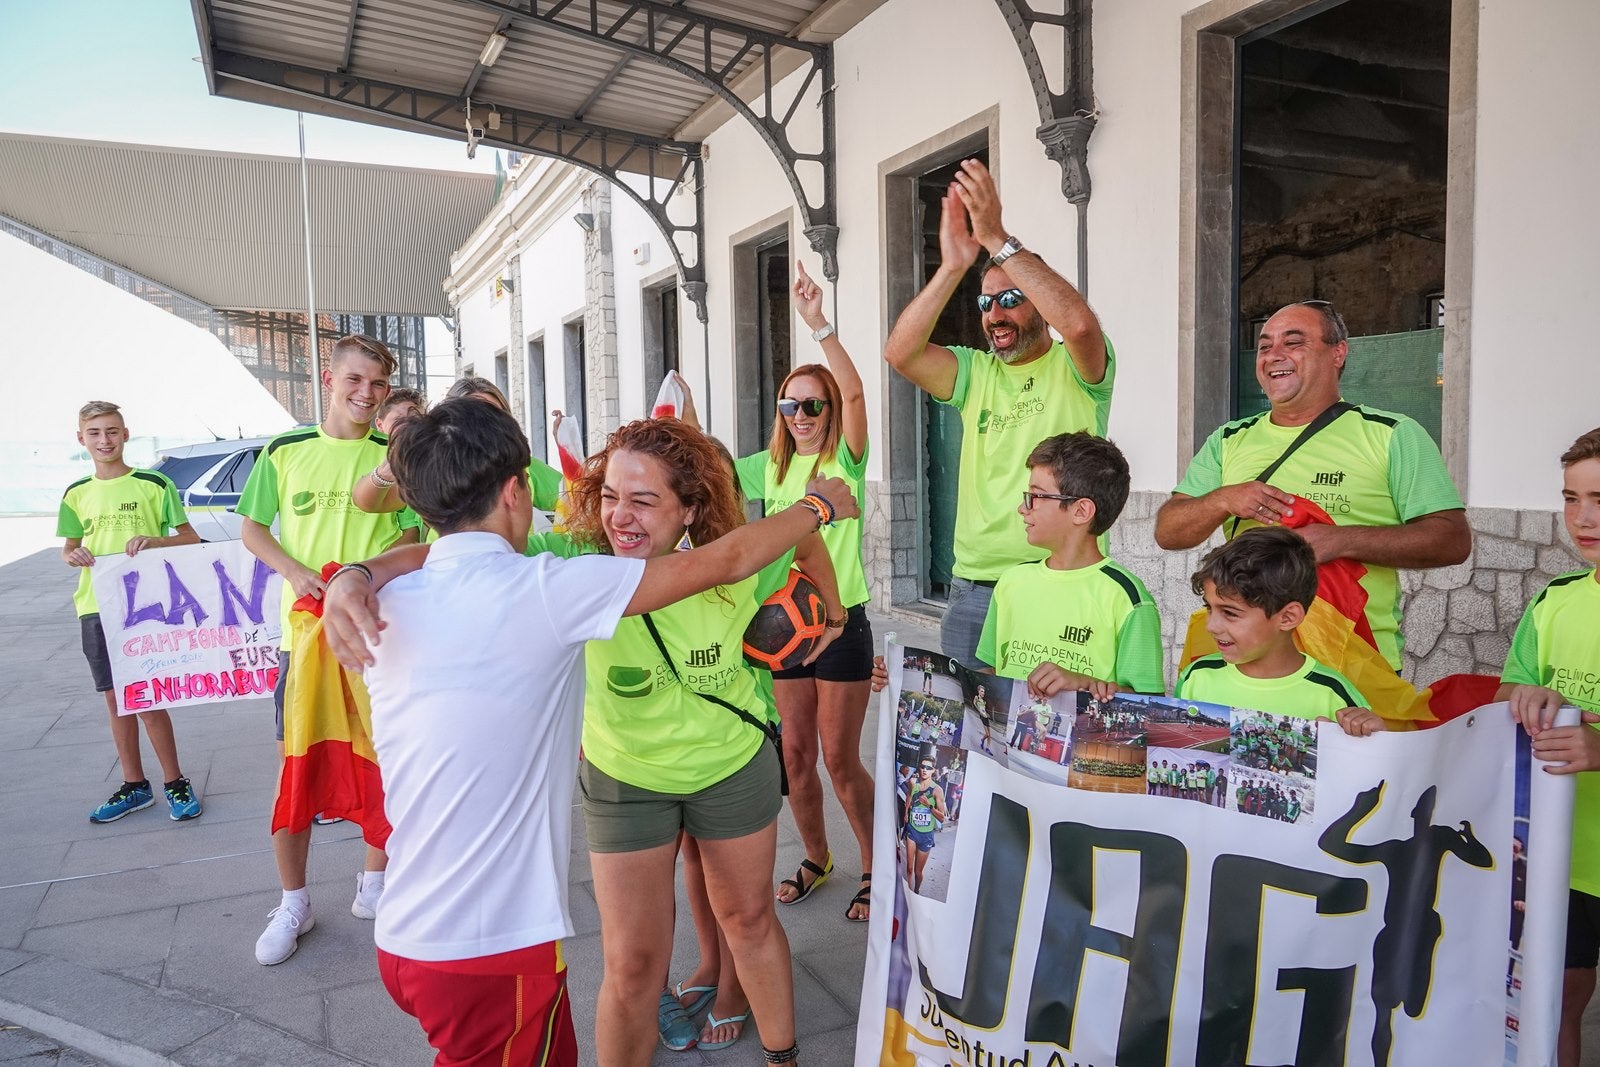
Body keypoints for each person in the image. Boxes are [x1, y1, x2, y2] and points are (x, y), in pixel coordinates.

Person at [325, 400, 844, 1066]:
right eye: (609, 496)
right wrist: (820, 502)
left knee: (747, 918)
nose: (620, 514)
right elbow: (448, 551)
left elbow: (757, 552)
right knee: (631, 962)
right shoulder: (560, 570)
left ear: (689, 509)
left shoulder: (499, 588)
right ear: (517, 493)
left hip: (723, 766)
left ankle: (777, 1047)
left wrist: (356, 574)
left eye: (644, 499)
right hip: (609, 795)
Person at [1155, 300, 1469, 671]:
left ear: (1338, 353)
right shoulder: (1228, 439)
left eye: (1294, 342)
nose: (1274, 355)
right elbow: (1168, 531)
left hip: (1353, 662)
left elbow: (1451, 540)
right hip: (1245, 661)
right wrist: (1224, 499)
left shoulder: (1393, 435)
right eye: (1264, 345)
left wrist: (1339, 541)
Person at [884, 158, 1113, 666]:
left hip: (1062, 582)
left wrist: (998, 238)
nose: (995, 315)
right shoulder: (976, 373)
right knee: (973, 735)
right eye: (987, 304)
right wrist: (951, 269)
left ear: (1039, 302)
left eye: (1011, 299)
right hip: (975, 590)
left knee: (1054, 735)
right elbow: (901, 353)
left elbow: (1077, 325)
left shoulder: (1075, 367)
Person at [237, 334, 403, 965]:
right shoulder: (285, 452)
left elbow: (411, 537)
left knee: (385, 763)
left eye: (378, 384)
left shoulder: (397, 454)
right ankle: (294, 900)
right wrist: (297, 573)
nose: (366, 393)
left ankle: (375, 882)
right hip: (301, 642)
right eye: (355, 380)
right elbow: (254, 530)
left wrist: (361, 575)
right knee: (297, 773)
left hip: (374, 640)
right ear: (328, 381)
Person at [731, 260, 875, 922]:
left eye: (813, 404)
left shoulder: (841, 460)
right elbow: (708, 471)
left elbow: (856, 389)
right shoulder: (772, 466)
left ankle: (876, 867)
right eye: (790, 405)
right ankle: (818, 857)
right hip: (783, 627)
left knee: (842, 762)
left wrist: (818, 323)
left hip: (840, 625)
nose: (801, 414)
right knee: (796, 755)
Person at [1497, 427, 1600, 1067]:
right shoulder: (1555, 601)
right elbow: (1516, 682)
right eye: (1570, 499)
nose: (1583, 519)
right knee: (1555, 1010)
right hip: (1567, 857)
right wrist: (1523, 696)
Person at [58, 401, 203, 824]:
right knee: (115, 698)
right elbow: (68, 548)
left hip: (146, 608)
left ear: (126, 434)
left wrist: (156, 542)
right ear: (81, 438)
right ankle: (134, 785)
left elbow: (191, 538)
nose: (105, 440)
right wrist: (73, 555)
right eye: (96, 433)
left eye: (112, 431)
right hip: (95, 606)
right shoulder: (76, 493)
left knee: (147, 694)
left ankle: (175, 781)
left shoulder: (153, 484)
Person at [975, 432, 1163, 703]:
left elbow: (1151, 707)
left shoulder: (1128, 599)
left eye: (1036, 496)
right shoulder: (1011, 582)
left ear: (1081, 511)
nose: (1022, 508)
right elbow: (991, 670)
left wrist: (1084, 685)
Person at [1176, 527, 1384, 737]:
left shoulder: (1333, 694)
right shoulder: (1196, 676)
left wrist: (1375, 736)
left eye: (1230, 613)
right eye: (1209, 607)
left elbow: (1370, 764)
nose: (1211, 626)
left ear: (1287, 617)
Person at [353, 375, 565, 527]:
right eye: (473, 415)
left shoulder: (524, 466)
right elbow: (368, 502)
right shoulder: (433, 469)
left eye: (493, 414)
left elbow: (574, 496)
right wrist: (389, 469)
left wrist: (567, 450)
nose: (484, 425)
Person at [374, 388, 426, 547]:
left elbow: (413, 530)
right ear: (379, 425)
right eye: (398, 420)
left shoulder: (426, 463)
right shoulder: (373, 458)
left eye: (415, 419)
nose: (407, 426)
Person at [903, 757, 948, 893]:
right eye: (922, 767)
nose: (924, 770)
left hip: (926, 835)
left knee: (918, 872)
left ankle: (916, 890)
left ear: (933, 770)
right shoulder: (912, 782)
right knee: (909, 868)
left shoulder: (937, 790)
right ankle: (909, 893)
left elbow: (942, 818)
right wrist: (906, 813)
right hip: (912, 829)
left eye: (928, 768)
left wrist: (928, 806)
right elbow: (909, 797)